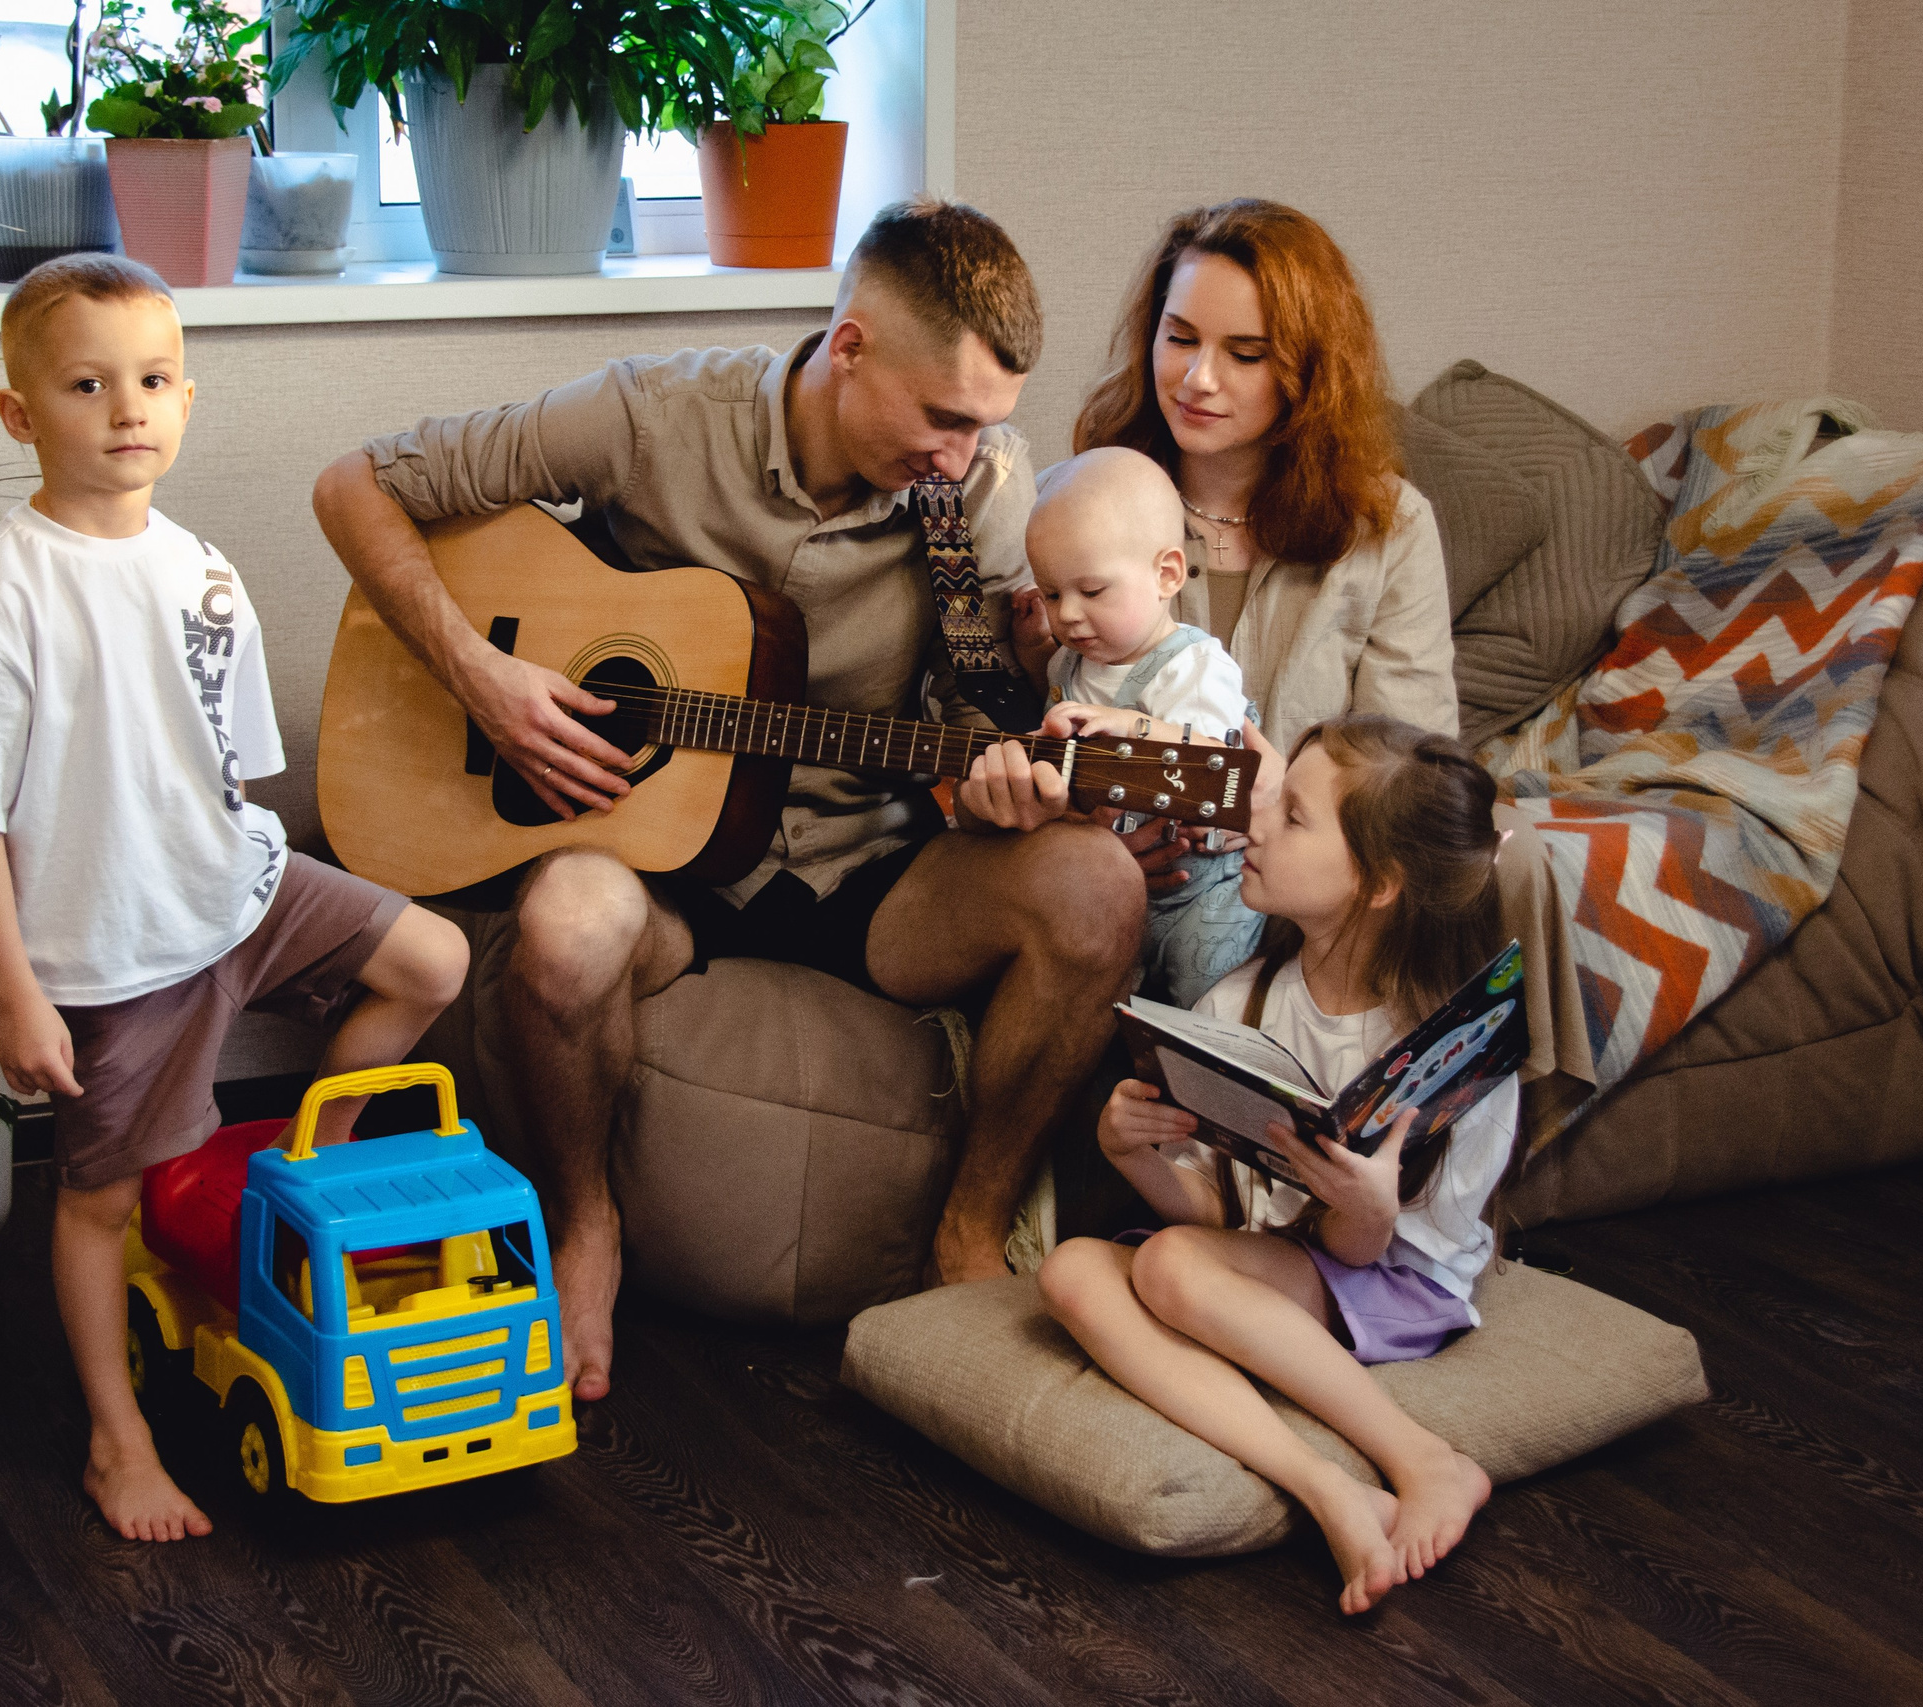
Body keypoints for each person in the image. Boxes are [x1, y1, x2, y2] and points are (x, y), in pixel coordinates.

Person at [312, 199, 1145, 1405]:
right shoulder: (652, 416)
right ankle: (581, 1224)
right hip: (658, 868)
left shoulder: (973, 497)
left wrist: (1004, 773)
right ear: (849, 347)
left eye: (986, 427)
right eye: (944, 417)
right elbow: (357, 487)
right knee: (565, 927)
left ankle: (969, 1226)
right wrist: (482, 679)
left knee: (1095, 884)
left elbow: (973, 718)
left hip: (867, 868)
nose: (963, 456)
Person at [0, 255, 469, 1543]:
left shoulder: (203, 570)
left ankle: (294, 1179)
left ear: (186, 397)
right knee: (100, 1200)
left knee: (433, 962)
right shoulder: (7, 590)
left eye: (153, 380)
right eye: (89, 383)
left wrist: (247, 878)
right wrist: (18, 998)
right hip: (113, 952)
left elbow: (220, 776)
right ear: (20, 413)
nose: (127, 409)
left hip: (239, 888)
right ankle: (118, 1443)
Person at [1038, 714, 1511, 1616]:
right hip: (1281, 1258)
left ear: (1377, 882)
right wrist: (1127, 1152)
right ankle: (1331, 1487)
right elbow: (1218, 1216)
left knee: (1168, 1267)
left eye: (1291, 815)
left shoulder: (1449, 1047)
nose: (1253, 823)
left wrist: (1366, 1209)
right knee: (1072, 1272)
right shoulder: (1242, 1000)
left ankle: (1427, 1459)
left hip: (1396, 1275)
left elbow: (1368, 1250)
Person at [1072, 199, 1458, 757]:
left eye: (1247, 354)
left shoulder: (1392, 530)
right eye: (1180, 339)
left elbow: (1411, 775)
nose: (1198, 379)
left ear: (1313, 371)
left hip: (1317, 842)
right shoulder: (1083, 496)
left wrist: (1282, 807)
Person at [1009, 446, 1262, 1005]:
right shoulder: (1069, 662)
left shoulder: (1193, 667)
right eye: (1053, 593)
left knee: (1208, 996)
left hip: (1204, 892)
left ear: (1167, 574)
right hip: (1119, 889)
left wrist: (1130, 723)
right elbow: (1057, 727)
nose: (1068, 614)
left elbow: (1215, 765)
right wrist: (1032, 657)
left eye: (1091, 591)